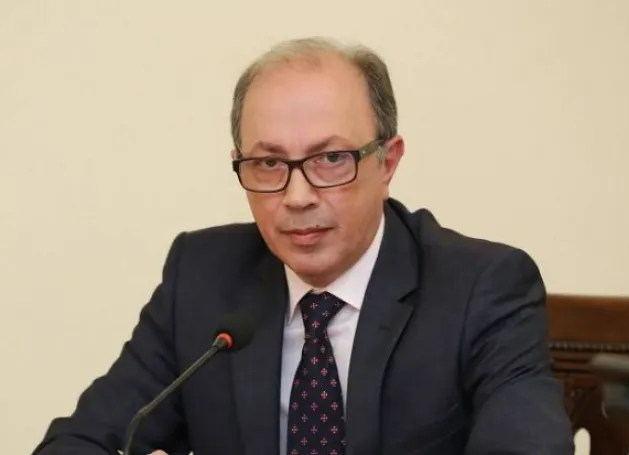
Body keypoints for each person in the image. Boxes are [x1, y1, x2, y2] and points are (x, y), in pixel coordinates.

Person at [33, 37, 574, 455]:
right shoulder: (201, 278)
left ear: (387, 162)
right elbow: (78, 442)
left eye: (331, 159)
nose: (296, 196)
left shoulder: (482, 289)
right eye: (269, 163)